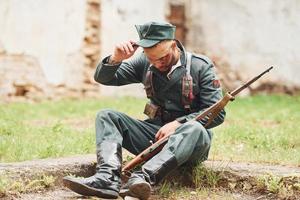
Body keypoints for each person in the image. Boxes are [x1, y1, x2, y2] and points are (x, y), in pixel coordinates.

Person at [63, 21, 225, 200]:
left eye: (161, 58)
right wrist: (115, 59)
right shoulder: (145, 62)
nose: (156, 64)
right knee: (107, 116)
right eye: (151, 59)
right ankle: (107, 178)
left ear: (173, 45)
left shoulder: (200, 66)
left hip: (191, 144)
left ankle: (142, 178)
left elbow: (217, 113)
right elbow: (105, 78)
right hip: (154, 138)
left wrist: (179, 124)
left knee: (193, 128)